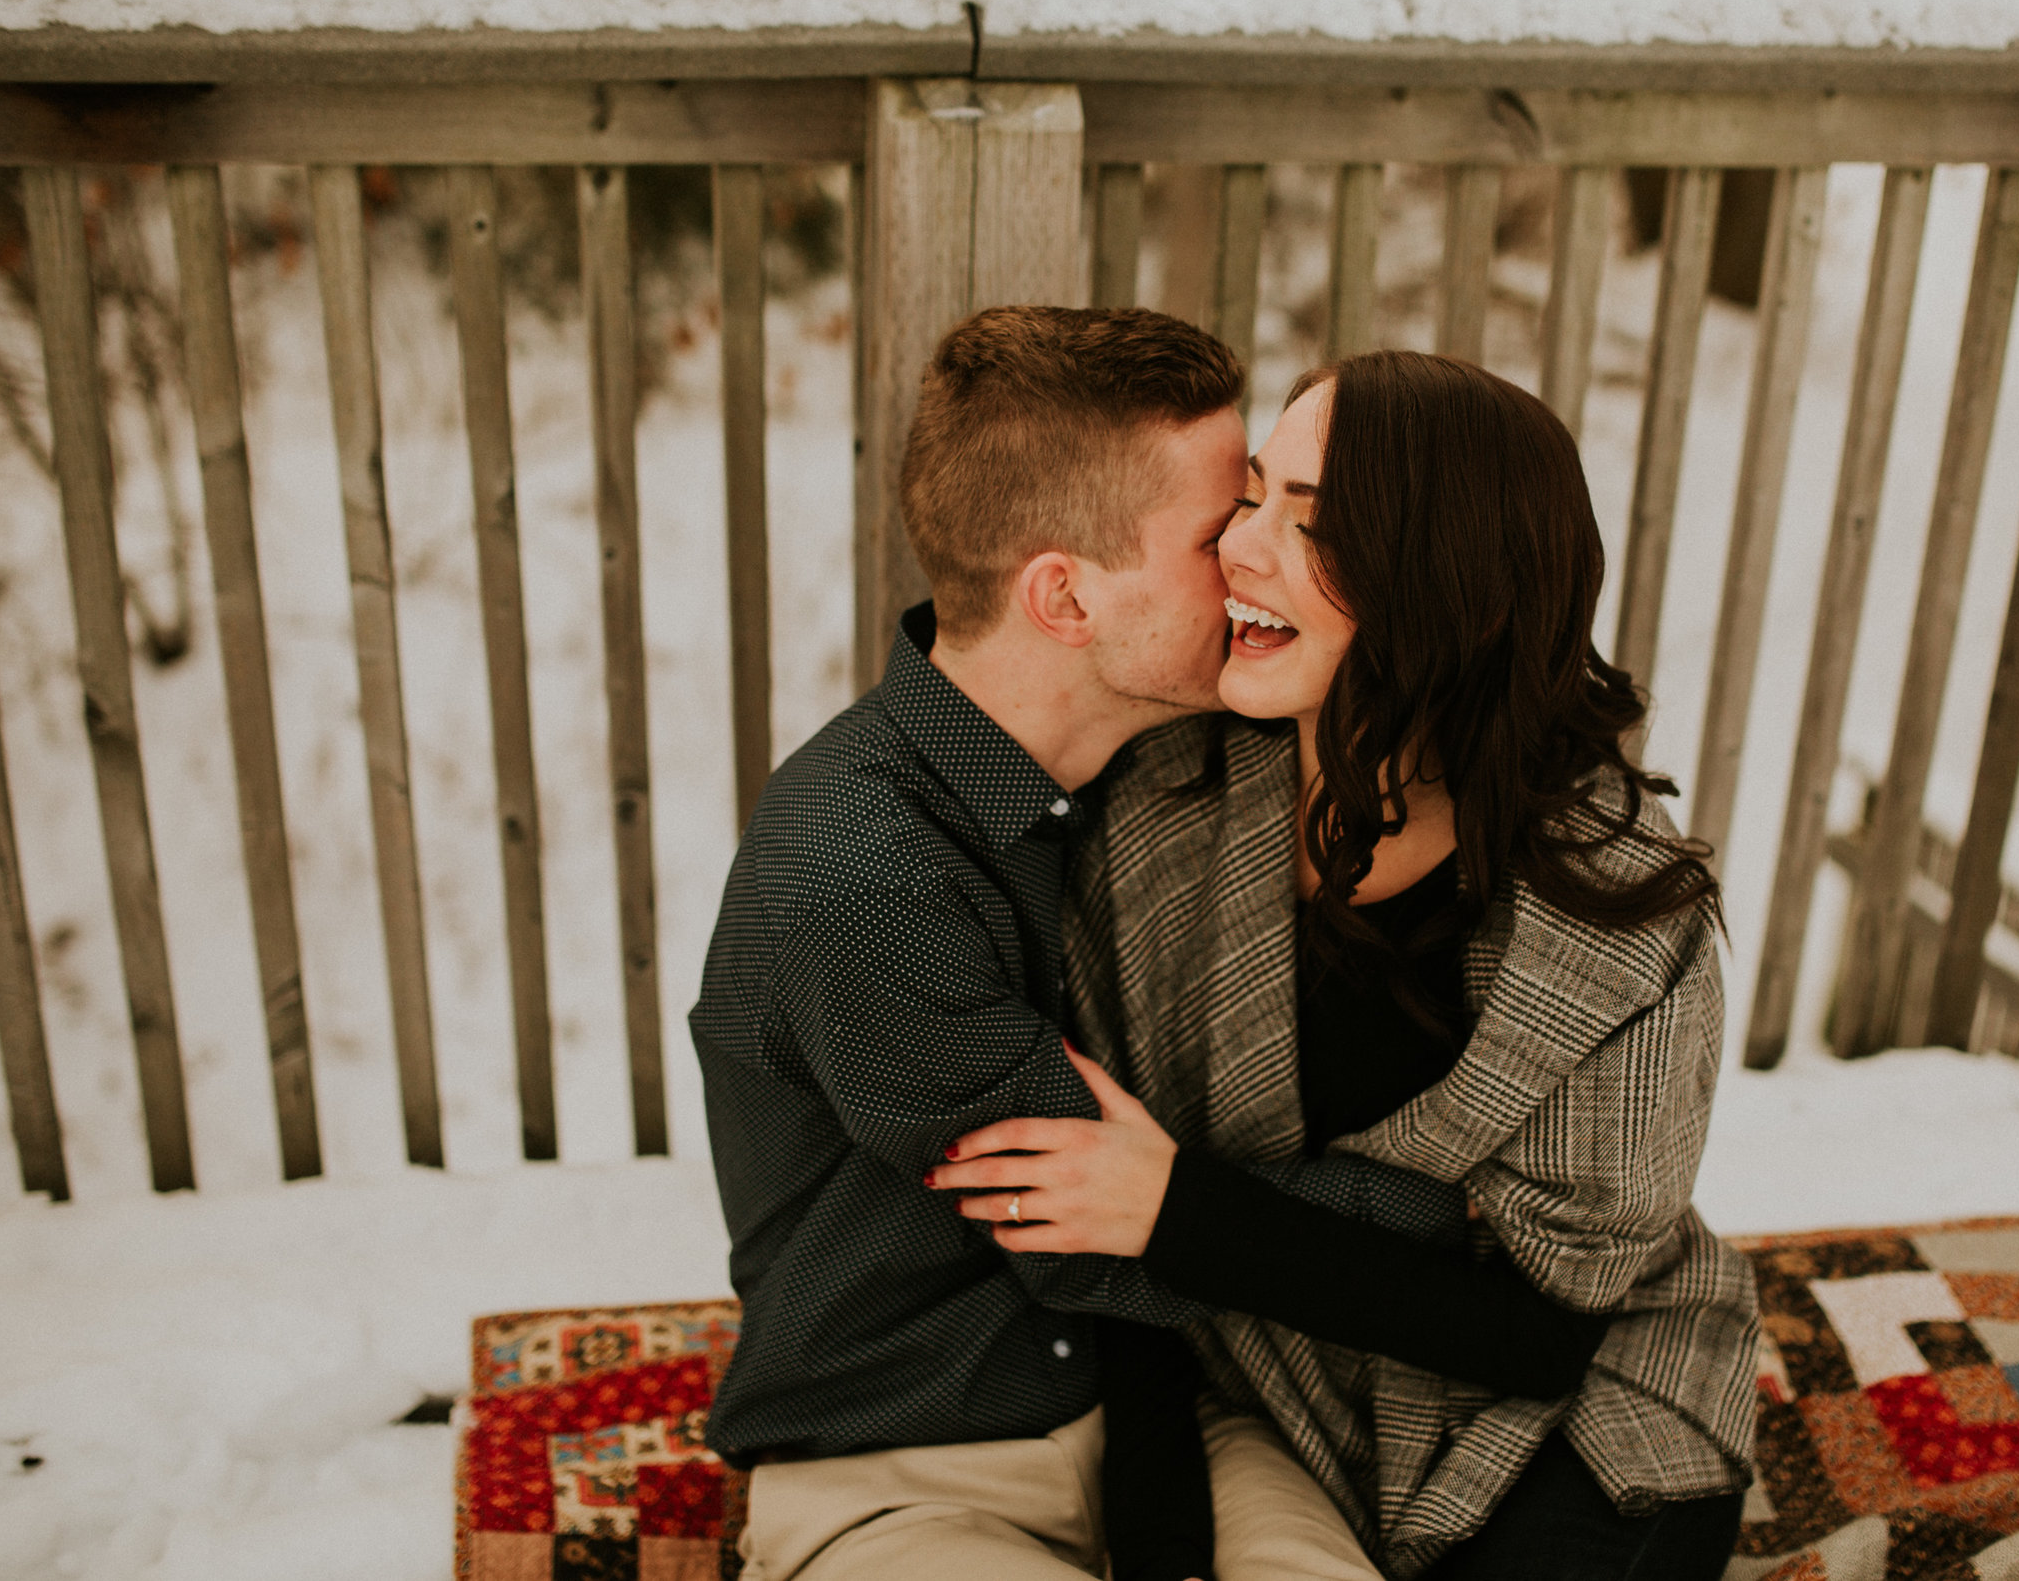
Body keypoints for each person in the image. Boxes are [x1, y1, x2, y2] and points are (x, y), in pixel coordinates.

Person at [692, 307, 1579, 1581]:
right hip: (912, 1462)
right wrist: (1460, 1216)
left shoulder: (1165, 764)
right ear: (1064, 595)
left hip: (1203, 1414)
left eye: (1266, 509)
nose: (1254, 564)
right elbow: (1096, 1226)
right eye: (1222, 531)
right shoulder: (860, 872)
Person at [926, 350, 1762, 1580]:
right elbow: (1102, 1249)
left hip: (1580, 1413)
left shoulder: (1617, 905)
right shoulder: (1157, 809)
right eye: (1250, 496)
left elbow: (1539, 1330)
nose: (1238, 547)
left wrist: (1180, 1209)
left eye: (1309, 525)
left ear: (1446, 579)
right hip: (1265, 1388)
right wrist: (1163, 1546)